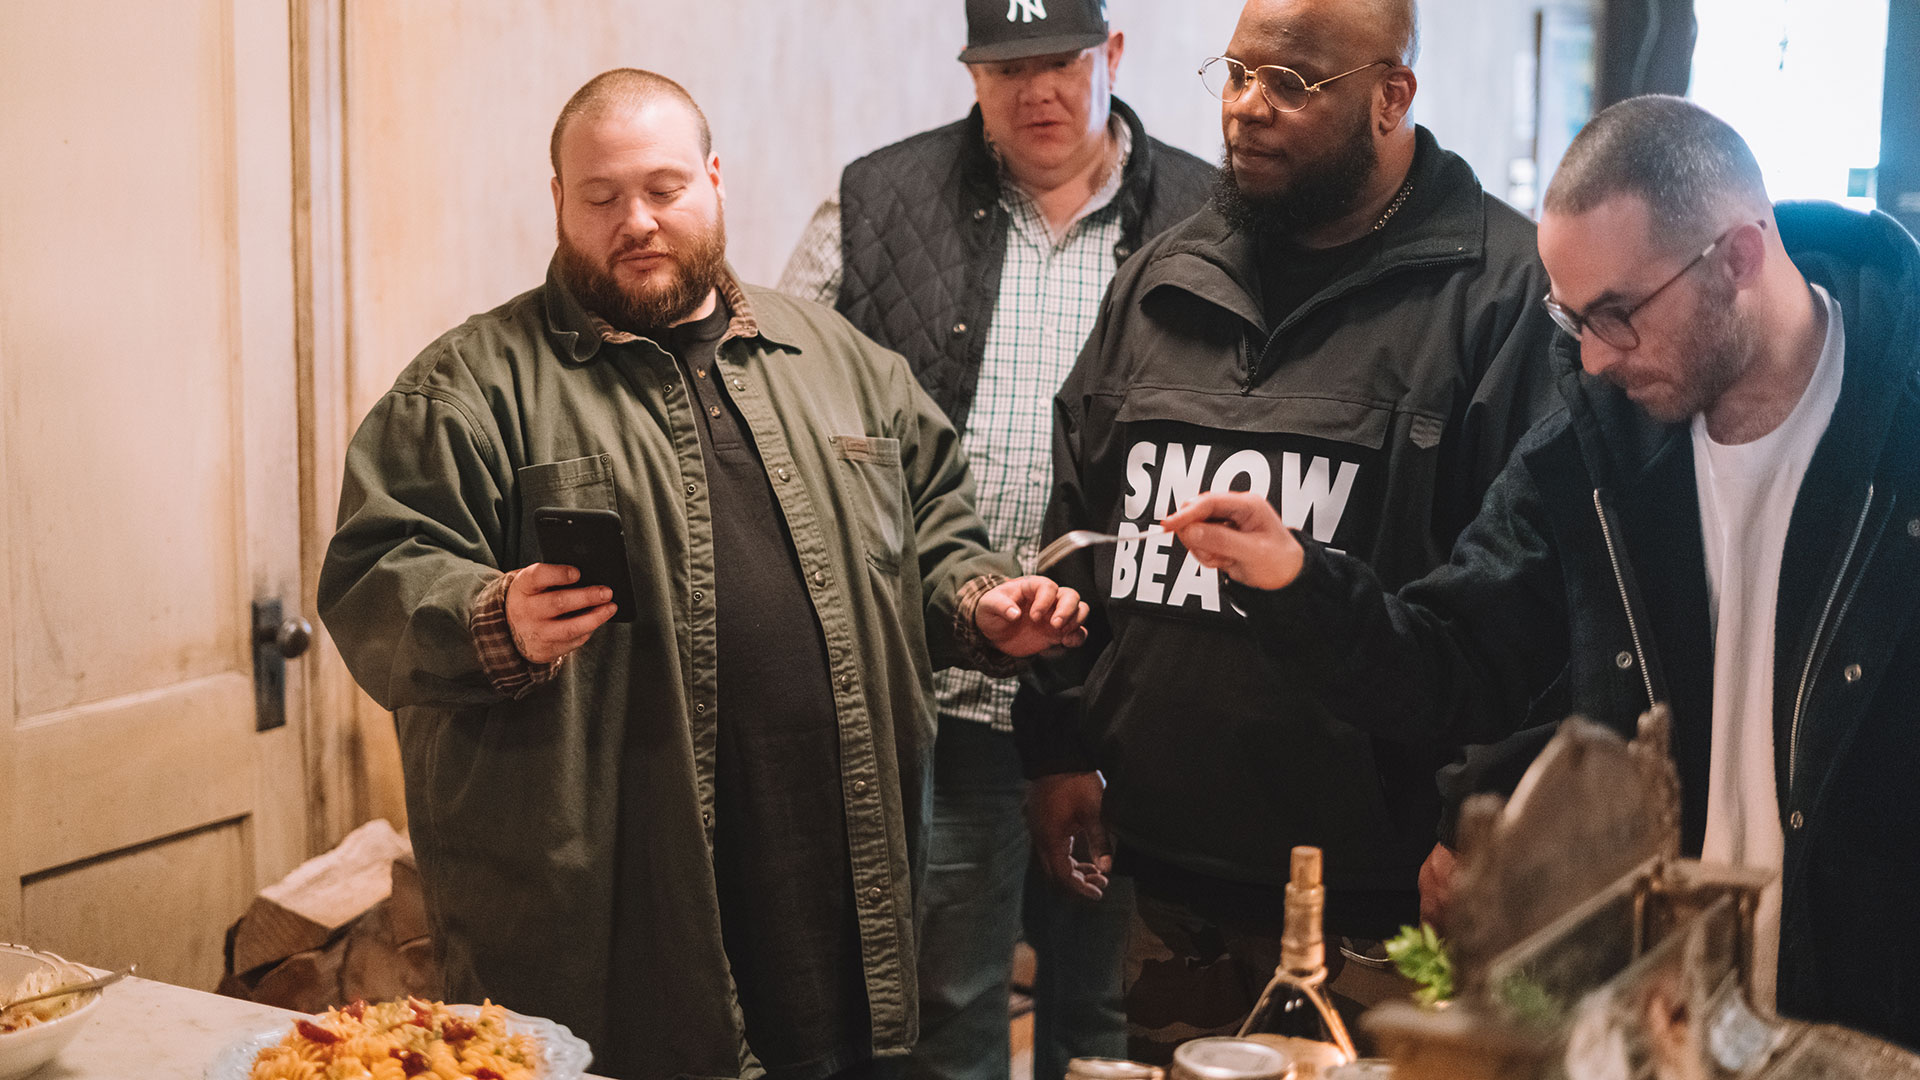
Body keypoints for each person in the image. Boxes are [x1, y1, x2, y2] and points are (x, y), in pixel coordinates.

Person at [318, 69, 1092, 1080]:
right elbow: (376, 577)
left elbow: (934, 524)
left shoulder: (840, 361)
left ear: (716, 182)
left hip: (834, 878)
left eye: (664, 189)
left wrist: (982, 601)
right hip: (612, 908)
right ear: (558, 202)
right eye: (601, 198)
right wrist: (489, 613)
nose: (635, 221)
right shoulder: (466, 390)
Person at [1162, 95, 1920, 1049]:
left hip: (1871, 1023)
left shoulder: (1904, 430)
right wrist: (1294, 581)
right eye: (1572, 318)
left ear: (1738, 257)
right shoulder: (1589, 454)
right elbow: (1457, 667)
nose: (1594, 359)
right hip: (1658, 1020)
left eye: (1618, 314)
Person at [1010, 0, 1561, 1058]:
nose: (1246, 110)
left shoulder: (1502, 295)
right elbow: (1079, 519)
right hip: (1168, 877)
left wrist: (1475, 812)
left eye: (1292, 86)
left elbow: (1533, 598)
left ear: (1392, 96)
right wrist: (1060, 740)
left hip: (1376, 895)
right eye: (1235, 75)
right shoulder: (1166, 277)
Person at [780, 2, 1212, 1077]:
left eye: (1061, 61)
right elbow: (779, 397)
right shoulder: (877, 202)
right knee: (949, 1015)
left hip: (1139, 706)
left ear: (1110, 56)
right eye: (1006, 67)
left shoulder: (1218, 215)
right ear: (972, 74)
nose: (1038, 93)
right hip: (947, 698)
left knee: (1118, 1017)